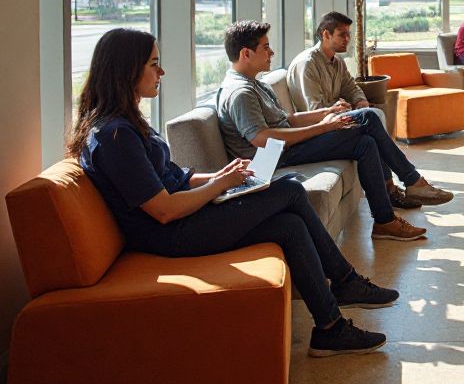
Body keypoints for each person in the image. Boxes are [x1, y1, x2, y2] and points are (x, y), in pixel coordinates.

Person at [74, 28, 396, 357]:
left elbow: (175, 179)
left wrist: (223, 175)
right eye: (154, 64)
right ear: (127, 69)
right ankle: (345, 281)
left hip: (183, 218)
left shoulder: (125, 125)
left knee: (290, 226)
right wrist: (219, 186)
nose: (162, 72)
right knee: (289, 191)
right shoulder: (115, 136)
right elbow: (164, 210)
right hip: (172, 233)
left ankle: (330, 328)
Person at [216, 21, 453, 244]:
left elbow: (287, 120)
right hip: (273, 159)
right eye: (266, 47)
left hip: (284, 147)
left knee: (366, 142)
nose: (272, 53)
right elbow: (263, 139)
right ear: (246, 53)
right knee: (368, 118)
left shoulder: (256, 83)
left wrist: (327, 112)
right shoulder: (240, 92)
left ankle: (385, 220)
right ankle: (412, 182)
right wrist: (324, 127)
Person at [287, 11, 424, 210]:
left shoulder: (337, 62)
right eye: (342, 34)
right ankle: (409, 180)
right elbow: (315, 111)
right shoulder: (307, 64)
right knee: (371, 119)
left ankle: (392, 188)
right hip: (316, 131)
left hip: (335, 120)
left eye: (349, 34)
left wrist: (359, 101)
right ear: (326, 35)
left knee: (370, 126)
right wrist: (347, 109)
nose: (348, 39)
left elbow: (351, 88)